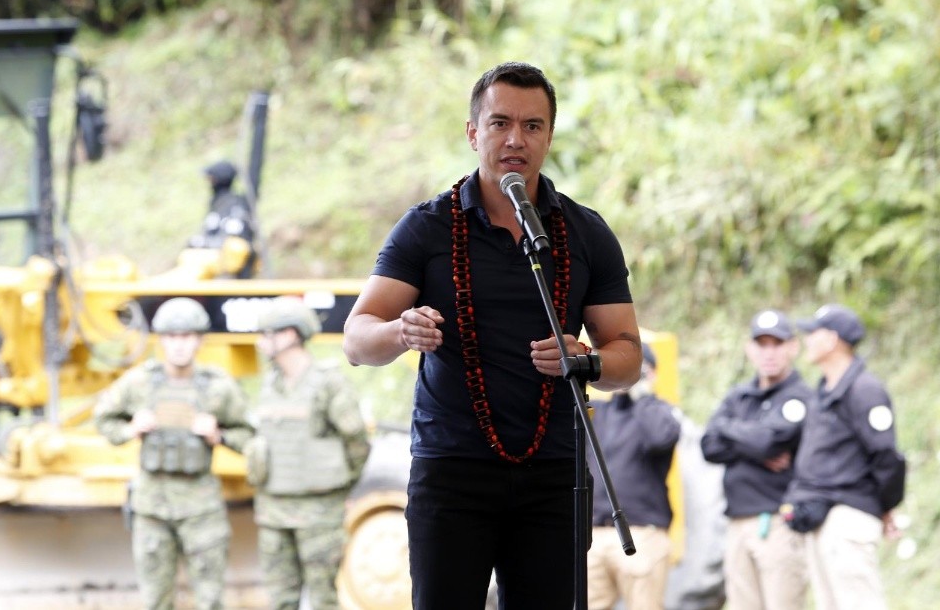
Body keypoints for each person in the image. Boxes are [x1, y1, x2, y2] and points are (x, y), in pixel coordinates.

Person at [342, 61, 642, 609]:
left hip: (554, 473)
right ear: (472, 132)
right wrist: (400, 332)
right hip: (453, 470)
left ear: (549, 136)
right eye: (500, 122)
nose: (515, 139)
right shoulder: (427, 227)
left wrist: (587, 360)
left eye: (532, 126)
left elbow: (628, 355)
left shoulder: (586, 232)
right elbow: (357, 338)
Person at [93, 297, 253, 610]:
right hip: (153, 508)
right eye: (172, 337)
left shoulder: (218, 388)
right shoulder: (139, 383)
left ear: (200, 341)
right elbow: (104, 419)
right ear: (161, 341)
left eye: (187, 337)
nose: (179, 345)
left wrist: (218, 435)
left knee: (210, 599)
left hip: (201, 507)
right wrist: (131, 430)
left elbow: (251, 436)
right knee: (156, 599)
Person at [244, 296, 371, 610]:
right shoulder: (270, 383)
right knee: (280, 601)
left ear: (288, 335)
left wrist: (339, 485)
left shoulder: (328, 383)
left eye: (266, 334)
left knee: (323, 599)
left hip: (319, 515)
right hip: (274, 512)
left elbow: (357, 442)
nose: (261, 342)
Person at [781, 304, 906, 610]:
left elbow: (886, 456)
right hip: (822, 517)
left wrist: (886, 505)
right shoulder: (824, 390)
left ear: (833, 339)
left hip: (847, 517)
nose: (807, 340)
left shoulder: (865, 389)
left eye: (814, 333)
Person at [701, 309, 811, 610]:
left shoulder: (799, 397)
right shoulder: (740, 396)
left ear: (793, 347)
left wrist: (734, 435)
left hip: (778, 522)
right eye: (762, 344)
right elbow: (709, 445)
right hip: (736, 523)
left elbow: (767, 443)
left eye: (777, 343)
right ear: (750, 348)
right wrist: (754, 449)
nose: (769, 352)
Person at [586, 343, 681, 610]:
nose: (627, 375)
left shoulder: (659, 413)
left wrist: (642, 393)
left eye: (635, 369)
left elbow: (661, 438)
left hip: (642, 533)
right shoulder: (599, 413)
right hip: (595, 533)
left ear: (650, 374)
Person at [188, 159, 258, 278]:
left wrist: (202, 243)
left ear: (216, 180)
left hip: (233, 274)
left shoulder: (233, 204)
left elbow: (232, 240)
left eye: (210, 178)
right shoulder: (219, 202)